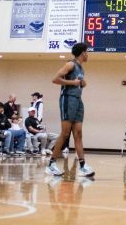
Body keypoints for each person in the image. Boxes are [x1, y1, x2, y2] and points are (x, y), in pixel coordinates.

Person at [47, 42, 94, 178]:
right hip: (68, 99)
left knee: (78, 133)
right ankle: (51, 164)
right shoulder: (70, 64)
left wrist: (82, 83)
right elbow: (55, 79)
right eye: (87, 52)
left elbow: (79, 83)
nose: (88, 54)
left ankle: (83, 166)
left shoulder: (81, 69)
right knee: (65, 133)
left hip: (78, 101)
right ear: (82, 53)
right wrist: (72, 83)